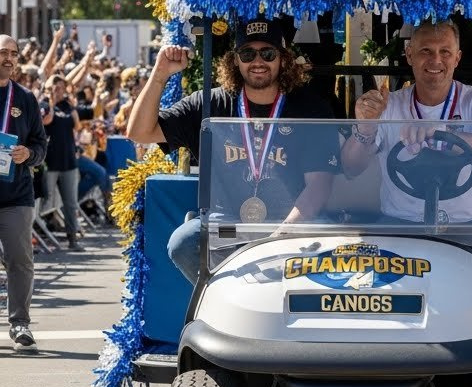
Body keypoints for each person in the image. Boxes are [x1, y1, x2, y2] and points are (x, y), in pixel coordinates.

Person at [126, 19, 339, 283]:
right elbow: (139, 132)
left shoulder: (310, 108)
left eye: (268, 53)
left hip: (290, 226)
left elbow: (319, 186)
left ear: (283, 59)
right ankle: (224, 298)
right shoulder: (210, 103)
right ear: (235, 61)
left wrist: (281, 237)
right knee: (183, 242)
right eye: (247, 54)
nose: (257, 61)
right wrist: (159, 76)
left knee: (334, 245)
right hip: (227, 228)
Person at [341, 19, 472, 225]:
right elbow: (351, 167)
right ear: (409, 55)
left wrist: (442, 133)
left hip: (471, 225)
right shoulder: (388, 105)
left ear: (457, 58)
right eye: (426, 51)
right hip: (402, 226)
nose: (435, 60)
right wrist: (365, 126)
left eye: (445, 52)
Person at [0, 34, 48, 353]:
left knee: (20, 261)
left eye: (13, 54)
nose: (8, 59)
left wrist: (27, 155)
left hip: (15, 196)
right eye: (3, 52)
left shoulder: (26, 98)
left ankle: (20, 324)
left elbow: (41, 146)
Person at [41, 75, 84, 252]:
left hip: (68, 162)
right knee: (45, 200)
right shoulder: (43, 104)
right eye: (54, 86)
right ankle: (36, 234)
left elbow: (77, 126)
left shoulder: (68, 106)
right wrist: (51, 100)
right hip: (50, 162)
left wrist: (71, 106)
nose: (57, 90)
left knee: (70, 202)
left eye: (60, 87)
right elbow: (46, 120)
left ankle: (72, 239)